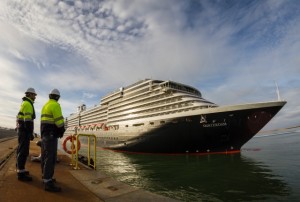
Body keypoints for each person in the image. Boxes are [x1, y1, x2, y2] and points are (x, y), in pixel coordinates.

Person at [40, 89, 65, 192]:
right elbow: (59, 122)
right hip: (51, 135)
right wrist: (62, 131)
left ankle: (46, 177)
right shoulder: (55, 105)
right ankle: (48, 182)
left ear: (50, 96)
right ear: (57, 97)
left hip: (45, 134)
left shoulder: (45, 105)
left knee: (45, 156)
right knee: (51, 157)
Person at [16, 87, 37, 181]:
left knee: (21, 150)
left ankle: (21, 169)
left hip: (22, 130)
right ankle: (20, 172)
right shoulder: (28, 104)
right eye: (34, 95)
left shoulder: (25, 103)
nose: (35, 97)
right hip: (24, 131)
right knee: (23, 151)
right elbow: (28, 121)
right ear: (29, 94)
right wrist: (30, 133)